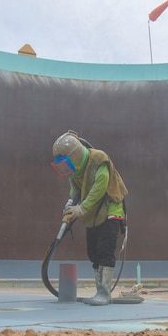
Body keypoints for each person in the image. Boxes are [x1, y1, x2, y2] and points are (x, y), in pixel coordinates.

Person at [51, 130, 128, 305]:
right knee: (93, 251)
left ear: (75, 156)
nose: (66, 169)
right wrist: (70, 204)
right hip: (92, 213)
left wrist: (81, 209)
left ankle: (104, 293)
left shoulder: (98, 159)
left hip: (110, 210)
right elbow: (75, 191)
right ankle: (99, 292)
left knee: (104, 249)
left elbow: (99, 187)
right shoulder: (75, 171)